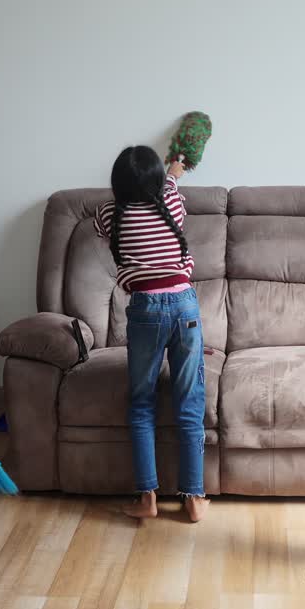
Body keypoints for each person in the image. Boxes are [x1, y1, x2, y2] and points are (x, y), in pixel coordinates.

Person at [94, 146, 209, 522]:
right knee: (189, 400)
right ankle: (194, 498)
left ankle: (148, 498)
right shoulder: (171, 204)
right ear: (158, 182)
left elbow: (101, 222)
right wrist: (173, 170)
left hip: (145, 309)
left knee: (141, 402)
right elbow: (172, 185)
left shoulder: (110, 214)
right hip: (184, 304)